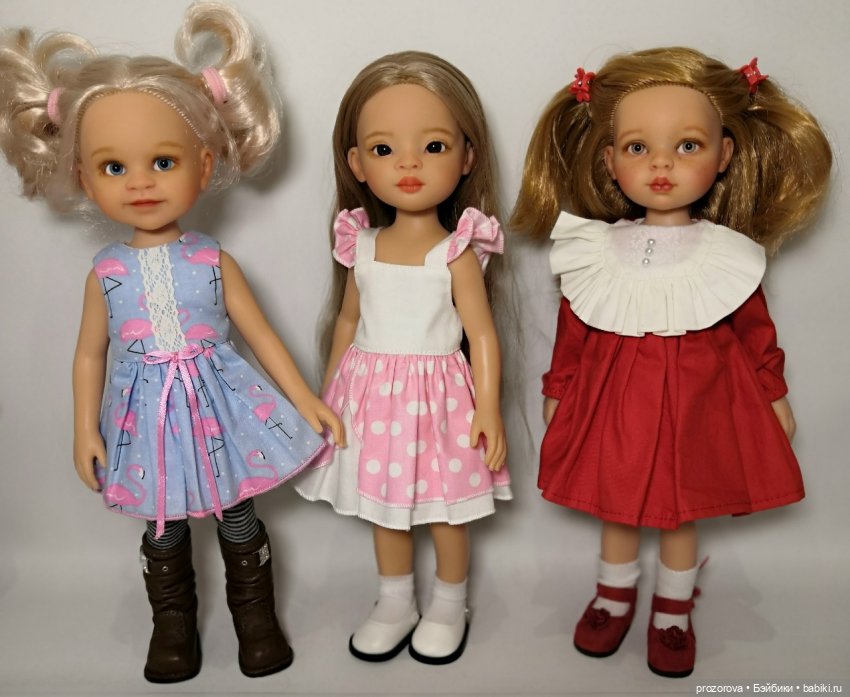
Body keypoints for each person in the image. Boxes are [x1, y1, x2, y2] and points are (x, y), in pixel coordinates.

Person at [0, 2, 342, 683]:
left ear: (203, 163)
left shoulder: (211, 259)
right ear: (83, 176)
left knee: (236, 510)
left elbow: (260, 335)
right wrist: (84, 429)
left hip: (219, 408)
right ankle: (173, 627)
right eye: (113, 167)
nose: (141, 182)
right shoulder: (107, 273)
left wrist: (305, 397)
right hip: (147, 420)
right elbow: (89, 354)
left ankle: (256, 622)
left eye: (162, 161)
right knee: (163, 523)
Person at [511, 47, 831, 677]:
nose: (661, 164)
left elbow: (755, 333)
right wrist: (559, 387)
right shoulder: (595, 249)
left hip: (698, 402)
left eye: (687, 145)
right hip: (616, 400)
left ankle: (673, 609)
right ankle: (614, 594)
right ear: (609, 160)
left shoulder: (727, 255)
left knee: (683, 507)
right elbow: (575, 326)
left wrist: (773, 394)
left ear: (724, 155)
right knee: (617, 503)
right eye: (638, 147)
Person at [296, 51, 511, 665]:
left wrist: (488, 407)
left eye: (434, 146)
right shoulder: (360, 245)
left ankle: (449, 601)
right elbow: (348, 321)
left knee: (446, 509)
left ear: (466, 157)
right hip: (370, 395)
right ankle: (395, 600)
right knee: (384, 508)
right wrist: (329, 395)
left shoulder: (455, 252)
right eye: (384, 149)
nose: (409, 164)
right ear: (357, 164)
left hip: (439, 397)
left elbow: (482, 334)